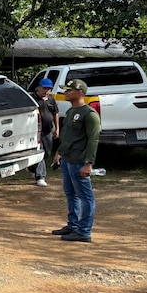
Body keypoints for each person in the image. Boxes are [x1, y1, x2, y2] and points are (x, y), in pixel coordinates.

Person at [51, 79, 101, 242]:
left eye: (69, 90)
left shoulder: (90, 114)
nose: (65, 93)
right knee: (71, 194)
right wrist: (59, 153)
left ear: (79, 93)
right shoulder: (71, 112)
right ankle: (73, 225)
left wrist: (88, 163)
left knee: (86, 197)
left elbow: (93, 140)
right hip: (67, 159)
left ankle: (84, 231)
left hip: (79, 161)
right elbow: (66, 137)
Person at [28, 78, 59, 187]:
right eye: (44, 88)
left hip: (48, 130)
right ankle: (40, 176)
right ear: (39, 87)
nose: (46, 91)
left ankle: (32, 168)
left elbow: (55, 113)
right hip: (36, 131)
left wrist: (57, 129)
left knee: (47, 153)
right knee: (40, 151)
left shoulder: (51, 99)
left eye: (49, 89)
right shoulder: (32, 98)